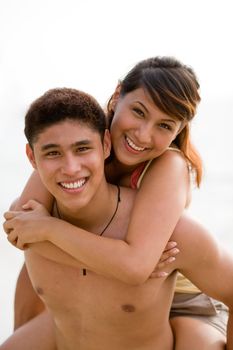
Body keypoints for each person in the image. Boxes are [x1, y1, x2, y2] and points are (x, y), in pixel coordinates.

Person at [3, 57, 228, 348]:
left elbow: (136, 268)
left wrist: (50, 230)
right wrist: (116, 260)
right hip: (117, 287)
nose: (143, 134)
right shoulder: (85, 137)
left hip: (179, 290)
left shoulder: (167, 167)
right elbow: (21, 229)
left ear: (179, 130)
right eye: (138, 111)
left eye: (164, 125)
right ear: (117, 95)